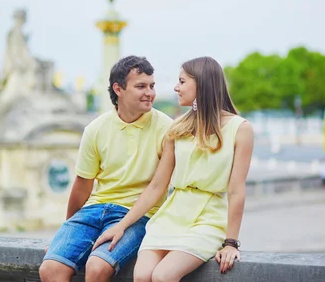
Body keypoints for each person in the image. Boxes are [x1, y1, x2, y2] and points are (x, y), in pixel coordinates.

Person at [93, 56, 254, 281]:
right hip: (170, 215)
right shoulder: (178, 127)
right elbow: (157, 185)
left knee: (163, 276)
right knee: (141, 276)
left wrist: (231, 243)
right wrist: (122, 225)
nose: (176, 87)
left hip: (207, 219)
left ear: (202, 84)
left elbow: (237, 190)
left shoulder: (240, 129)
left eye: (182, 81)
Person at [39, 56, 173, 282]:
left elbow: (158, 188)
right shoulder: (95, 129)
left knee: (97, 266)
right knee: (50, 269)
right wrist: (67, 231)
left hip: (136, 215)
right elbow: (82, 186)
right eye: (140, 86)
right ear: (118, 89)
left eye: (152, 86)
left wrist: (121, 225)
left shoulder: (167, 128)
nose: (149, 92)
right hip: (94, 210)